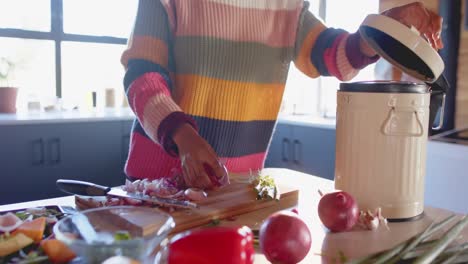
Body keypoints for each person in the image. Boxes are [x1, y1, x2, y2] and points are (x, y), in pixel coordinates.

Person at [120, 0, 443, 189]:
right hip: (157, 185)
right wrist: (183, 136)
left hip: (234, 189)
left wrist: (383, 28)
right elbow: (141, 75)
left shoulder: (287, 6)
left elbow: (336, 55)